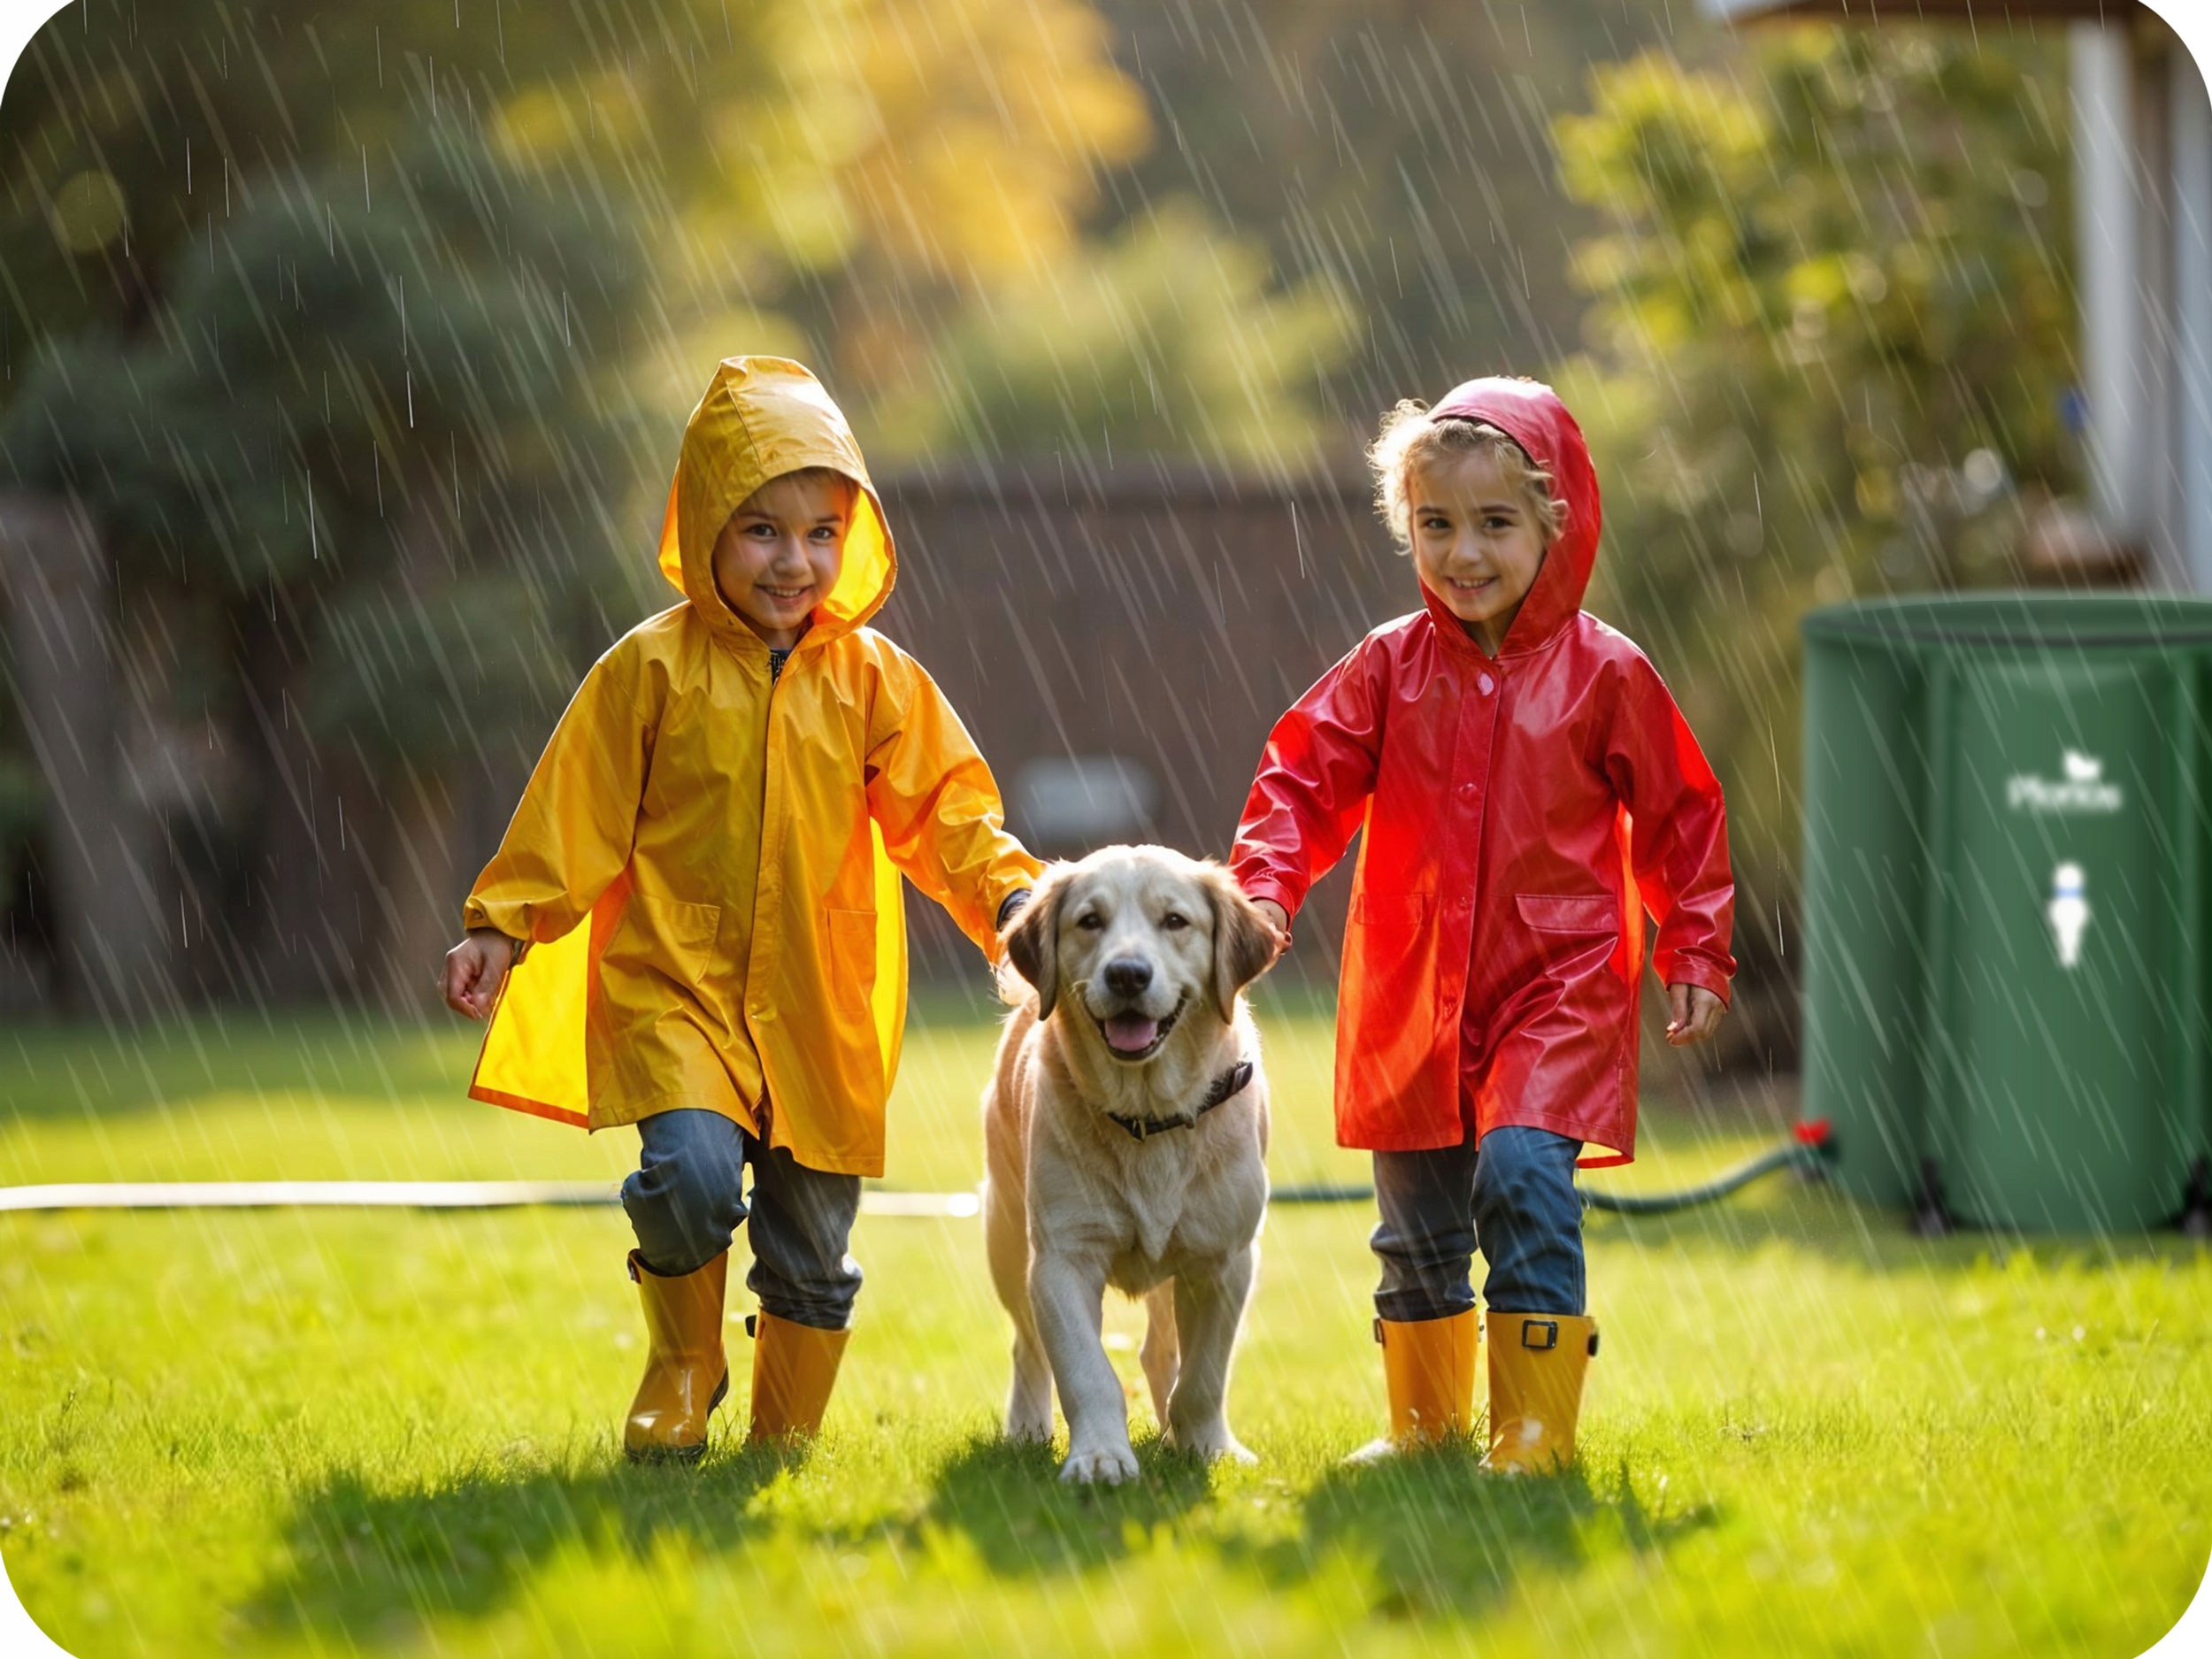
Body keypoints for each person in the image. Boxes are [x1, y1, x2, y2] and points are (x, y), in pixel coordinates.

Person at [441, 356, 1039, 1462]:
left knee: (813, 1243)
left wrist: (1013, 899)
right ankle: (683, 1361)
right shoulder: (648, 671)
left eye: (821, 532)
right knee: (690, 1176)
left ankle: (782, 1441)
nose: (794, 560)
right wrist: (501, 921)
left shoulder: (875, 682)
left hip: (819, 999)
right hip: (677, 987)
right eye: (761, 529)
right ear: (705, 522)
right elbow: (574, 809)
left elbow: (947, 814)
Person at [1230, 376, 1734, 1471]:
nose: (1463, 553)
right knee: (1414, 1223)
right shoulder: (1386, 666)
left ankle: (1537, 1429)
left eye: (1494, 524)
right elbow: (1299, 780)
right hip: (1415, 980)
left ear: (1559, 523)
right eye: (1436, 525)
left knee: (1518, 1173)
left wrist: (1694, 939)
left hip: (1557, 985)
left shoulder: (1607, 672)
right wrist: (1263, 887)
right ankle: (1422, 1431)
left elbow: (1682, 811)